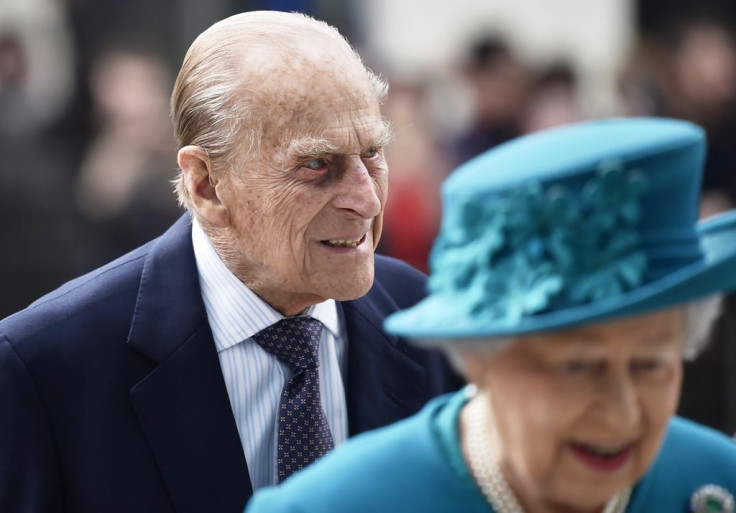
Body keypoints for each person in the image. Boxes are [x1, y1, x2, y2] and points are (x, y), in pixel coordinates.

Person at [0, 11, 462, 513]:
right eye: (316, 165)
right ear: (206, 185)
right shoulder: (44, 367)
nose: (367, 200)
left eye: (372, 153)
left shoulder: (433, 323)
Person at [246, 117, 736, 513]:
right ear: (478, 357)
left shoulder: (718, 481)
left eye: (650, 365)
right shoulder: (333, 506)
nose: (624, 412)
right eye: (578, 367)